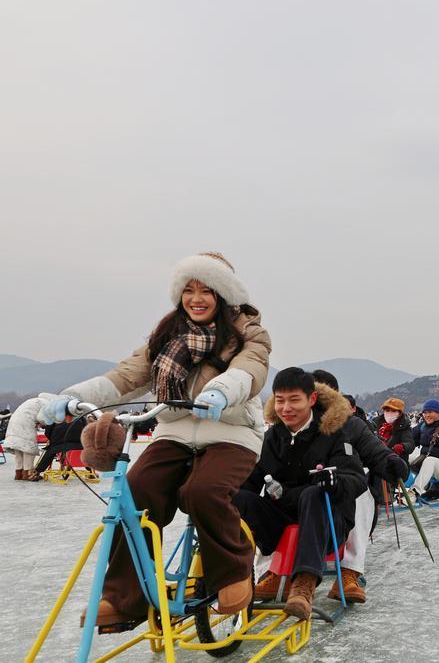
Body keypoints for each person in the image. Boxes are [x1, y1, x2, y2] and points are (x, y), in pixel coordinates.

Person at [18, 252, 270, 627]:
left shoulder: (249, 332)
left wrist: (221, 392)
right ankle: (126, 597)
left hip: (231, 432)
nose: (196, 298)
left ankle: (233, 574)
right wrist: (71, 396)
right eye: (188, 289)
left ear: (224, 295)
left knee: (202, 491)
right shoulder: (166, 336)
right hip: (174, 432)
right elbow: (126, 375)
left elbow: (250, 368)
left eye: (207, 290)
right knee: (135, 493)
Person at [235, 369, 407, 618]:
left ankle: (322, 579)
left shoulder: (342, 428)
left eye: (295, 400)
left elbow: (365, 461)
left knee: (331, 495)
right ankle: (248, 575)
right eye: (281, 400)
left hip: (327, 510)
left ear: (313, 398)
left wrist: (386, 464)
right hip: (285, 510)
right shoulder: (273, 436)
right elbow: (251, 478)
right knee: (239, 499)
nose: (286, 408)